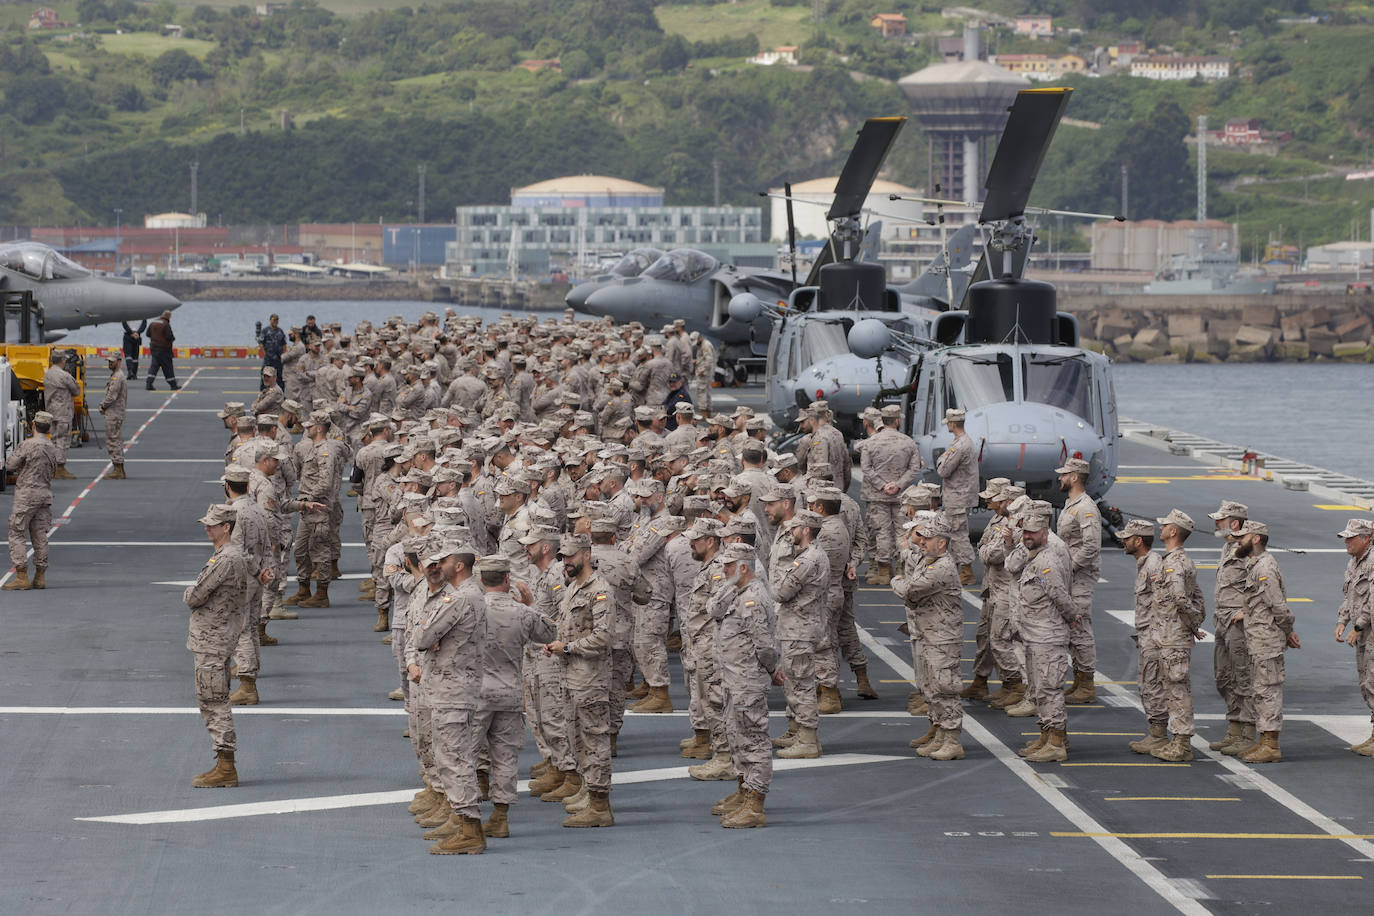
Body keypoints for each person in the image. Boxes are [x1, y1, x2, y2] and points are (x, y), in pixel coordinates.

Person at [474, 555, 556, 839]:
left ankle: (462, 816)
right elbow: (550, 632)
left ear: (481, 580)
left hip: (476, 694)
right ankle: (500, 816)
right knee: (505, 756)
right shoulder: (521, 612)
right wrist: (531, 603)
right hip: (509, 693)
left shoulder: (471, 608)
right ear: (507, 579)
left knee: (464, 755)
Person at [544, 533, 615, 828]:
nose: (566, 562)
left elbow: (603, 636)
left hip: (590, 678)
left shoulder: (599, 589)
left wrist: (569, 648)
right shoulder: (573, 587)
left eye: (571, 556)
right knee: (578, 739)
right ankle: (589, 790)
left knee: (595, 740)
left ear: (586, 555)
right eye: (563, 557)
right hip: (572, 676)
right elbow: (568, 626)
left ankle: (600, 805)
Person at [710, 542, 778, 828]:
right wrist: (730, 582)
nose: (722, 569)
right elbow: (712, 608)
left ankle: (756, 803)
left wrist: (773, 670)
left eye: (729, 565)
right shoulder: (738, 591)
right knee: (737, 737)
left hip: (747, 681)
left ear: (744, 567)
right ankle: (744, 790)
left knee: (754, 742)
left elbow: (763, 645)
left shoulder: (753, 597)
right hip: (733, 679)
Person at [183, 503, 249, 788]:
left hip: (213, 638)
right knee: (214, 698)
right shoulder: (229, 555)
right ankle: (224, 762)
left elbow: (195, 596)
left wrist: (187, 592)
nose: (207, 528)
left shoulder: (225, 559)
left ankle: (226, 766)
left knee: (213, 700)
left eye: (212, 524)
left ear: (227, 528)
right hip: (218, 635)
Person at [1235, 520, 1298, 764]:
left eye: (1244, 536)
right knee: (1260, 691)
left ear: (1257, 538)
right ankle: (1264, 740)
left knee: (1268, 690)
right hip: (1259, 640)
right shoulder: (1256, 565)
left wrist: (1288, 630)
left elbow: (1278, 607)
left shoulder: (1265, 568)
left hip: (1266, 641)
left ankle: (1271, 744)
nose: (1239, 540)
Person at [1149, 509, 1206, 763]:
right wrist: (1194, 622)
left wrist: (1193, 624)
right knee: (1174, 688)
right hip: (1170, 635)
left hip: (1174, 636)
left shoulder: (1174, 563)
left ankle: (1182, 744)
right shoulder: (1179, 560)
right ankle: (1178, 741)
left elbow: (1182, 599)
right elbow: (1199, 598)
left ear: (1173, 532)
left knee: (1177, 690)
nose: (1160, 528)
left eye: (1165, 525)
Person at [1207, 501, 1255, 755]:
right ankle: (1234, 729)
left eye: (1220, 519)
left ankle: (1247, 733)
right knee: (1223, 678)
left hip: (1238, 625)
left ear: (1234, 523)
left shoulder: (1247, 550)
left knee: (1243, 678)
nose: (1216, 523)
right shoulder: (1228, 547)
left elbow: (1259, 585)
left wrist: (1246, 612)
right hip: (1222, 622)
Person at [860, 403, 923, 586]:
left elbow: (866, 468)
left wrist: (882, 485)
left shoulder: (871, 442)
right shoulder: (908, 442)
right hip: (901, 496)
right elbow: (914, 467)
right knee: (903, 531)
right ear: (897, 421)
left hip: (877, 495)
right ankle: (903, 568)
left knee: (881, 532)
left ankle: (883, 571)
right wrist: (899, 485)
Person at [1054, 457, 1101, 704]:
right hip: (1070, 577)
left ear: (1074, 477)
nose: (1059, 478)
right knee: (1073, 630)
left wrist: (1068, 569)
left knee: (1081, 630)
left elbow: (1091, 546)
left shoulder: (1086, 507)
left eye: (1064, 475)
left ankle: (1087, 684)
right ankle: (1079, 680)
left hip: (1079, 577)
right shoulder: (1071, 504)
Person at [1121, 519, 1168, 755]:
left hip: (1155, 634)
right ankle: (1155, 733)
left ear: (1138, 541)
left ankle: (1159, 736)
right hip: (1146, 633)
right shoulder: (1145, 563)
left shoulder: (1154, 565)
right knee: (1148, 684)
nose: (1124, 542)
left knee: (1153, 684)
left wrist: (1158, 634)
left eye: (1128, 538)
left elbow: (1167, 600)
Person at [4, 411, 60, 591]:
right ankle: (40, 576)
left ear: (33, 425)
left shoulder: (27, 445)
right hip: (44, 494)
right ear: (49, 427)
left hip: (26, 495)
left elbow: (10, 465)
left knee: (17, 532)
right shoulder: (52, 447)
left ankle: (21, 575)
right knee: (40, 535)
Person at [1336, 518, 1374, 755]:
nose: (1346, 542)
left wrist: (1357, 627)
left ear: (1366, 538)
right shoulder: (1354, 563)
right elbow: (1350, 596)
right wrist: (1342, 620)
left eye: (1351, 537)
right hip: (1364, 635)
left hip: (1369, 633)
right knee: (1367, 684)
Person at [935, 408, 977, 584]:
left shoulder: (959, 446)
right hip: (962, 495)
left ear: (952, 424)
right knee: (956, 532)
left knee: (958, 534)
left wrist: (941, 458)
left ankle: (966, 571)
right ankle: (958, 568)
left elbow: (943, 470)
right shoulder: (964, 442)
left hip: (958, 496)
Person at [42, 351, 79, 480]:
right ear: (62, 360)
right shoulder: (64, 375)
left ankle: (53, 467)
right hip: (63, 412)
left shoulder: (48, 374)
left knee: (53, 440)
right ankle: (60, 468)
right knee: (63, 440)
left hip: (51, 411)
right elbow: (76, 390)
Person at [98, 352, 128, 479]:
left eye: (112, 361)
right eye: (109, 361)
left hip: (114, 413)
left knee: (113, 440)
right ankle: (119, 469)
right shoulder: (116, 376)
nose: (110, 363)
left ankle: (117, 469)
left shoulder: (117, 377)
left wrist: (103, 405)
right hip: (115, 413)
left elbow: (112, 396)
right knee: (115, 440)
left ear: (119, 361)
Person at [146, 309, 178, 390]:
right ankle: (173, 385)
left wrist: (155, 339)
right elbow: (169, 336)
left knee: (154, 366)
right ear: (168, 317)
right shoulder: (165, 324)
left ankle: (149, 383)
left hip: (154, 348)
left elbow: (147, 334)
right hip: (164, 349)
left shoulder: (153, 322)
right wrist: (173, 339)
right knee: (168, 367)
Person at [258, 314, 287, 389]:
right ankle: (263, 393)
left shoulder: (280, 331)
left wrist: (283, 356)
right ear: (270, 320)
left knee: (279, 377)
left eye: (277, 320)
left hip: (278, 359)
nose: (275, 322)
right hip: (269, 359)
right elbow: (261, 343)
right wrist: (265, 354)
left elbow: (284, 344)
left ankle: (280, 395)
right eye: (274, 320)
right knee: (265, 376)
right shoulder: (265, 330)